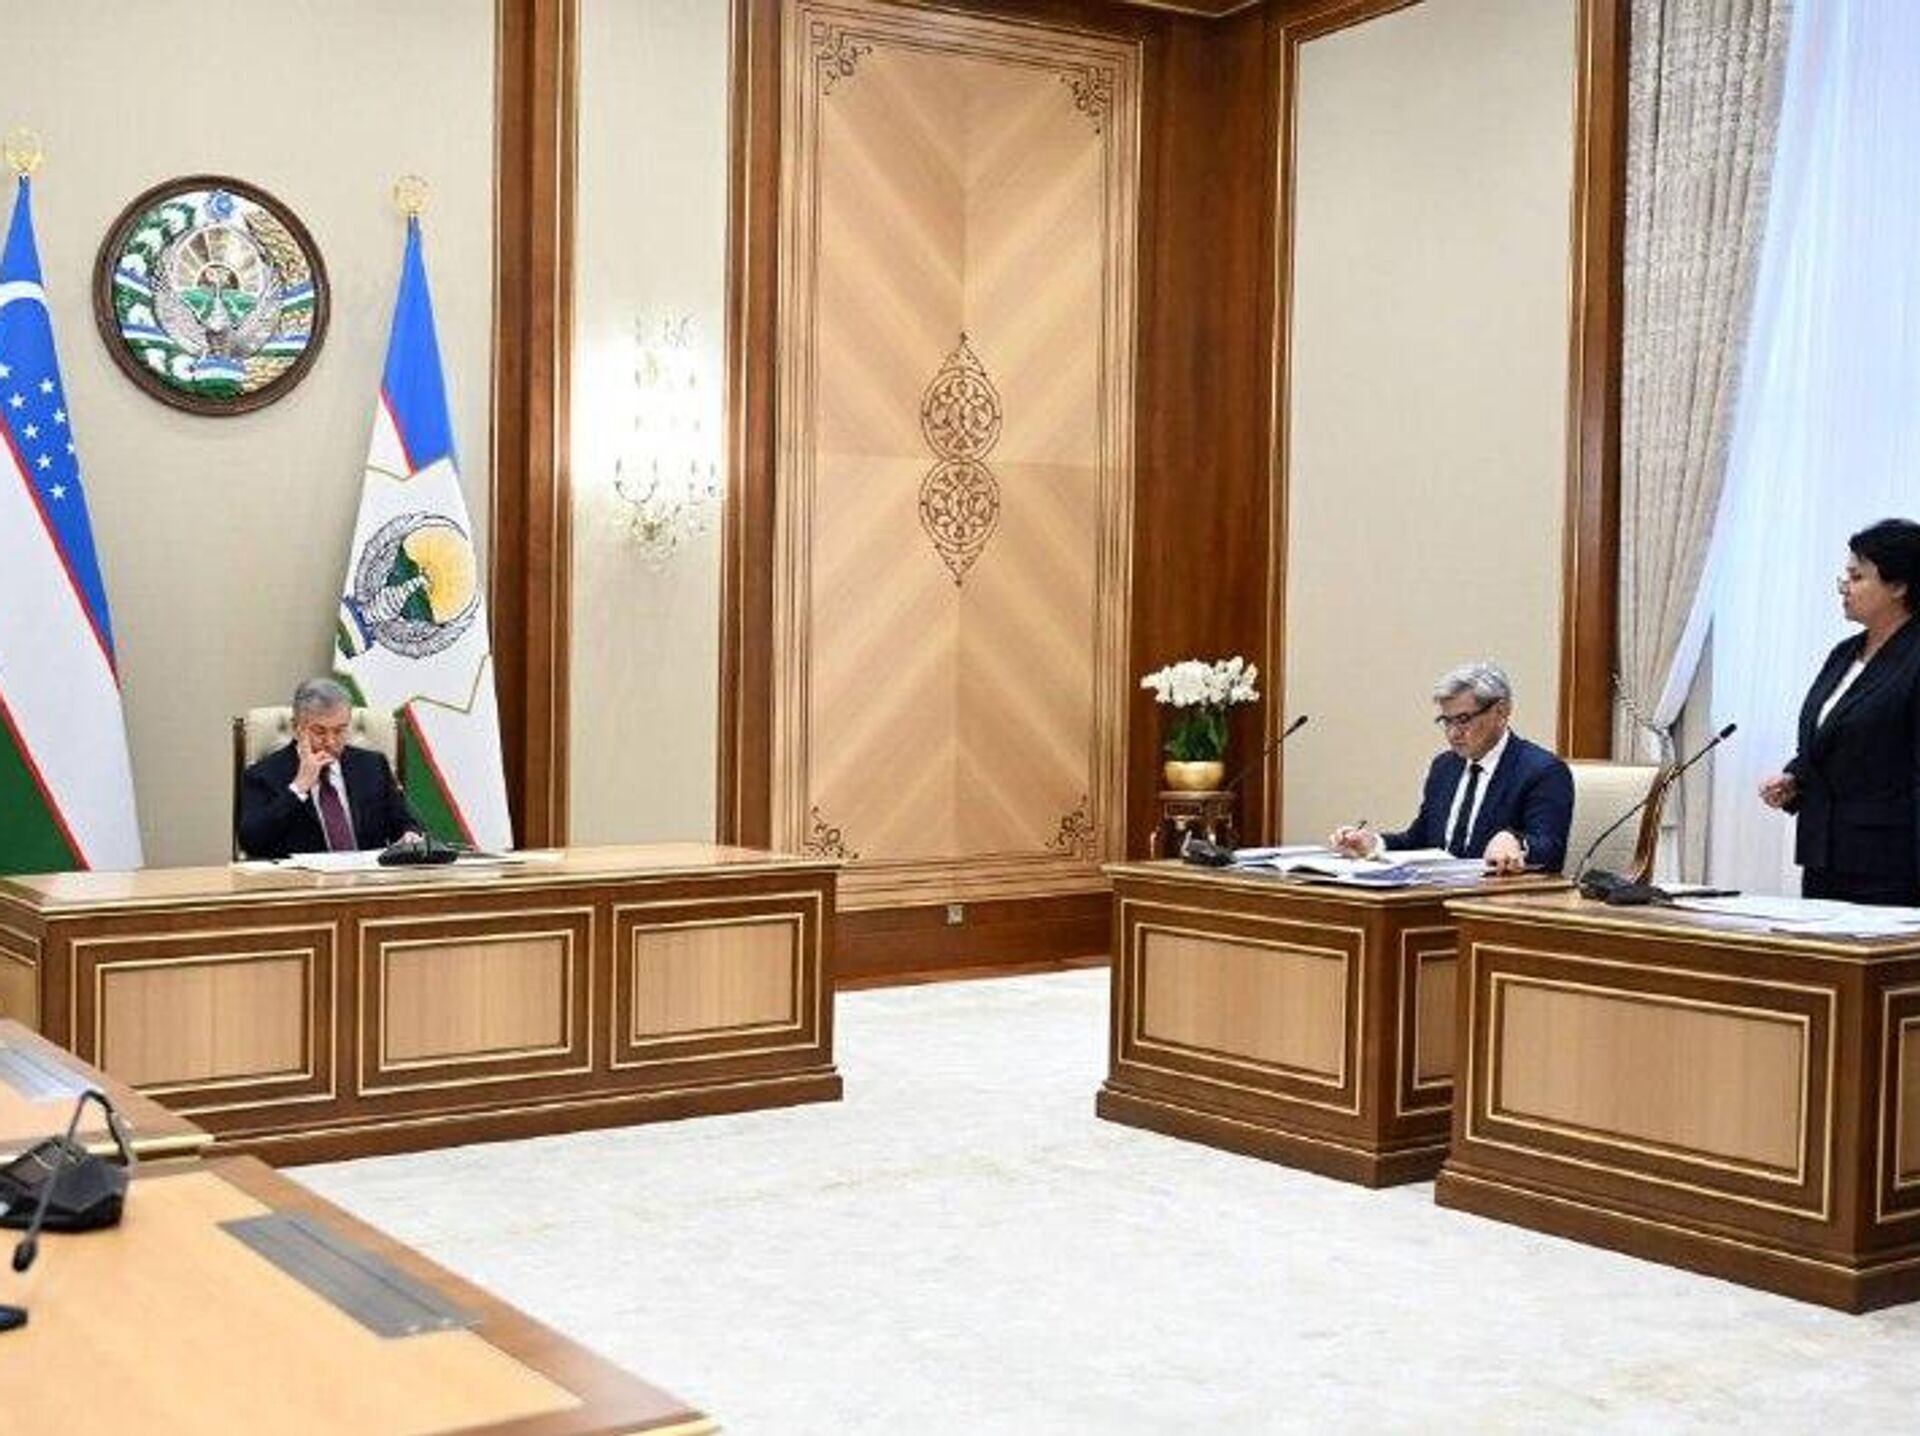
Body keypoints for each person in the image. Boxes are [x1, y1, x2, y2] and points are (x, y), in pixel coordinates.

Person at [1759, 518, 1920, 906]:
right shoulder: (1844, 653)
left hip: (1893, 864)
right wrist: (1796, 777)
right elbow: (1835, 740)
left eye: (1857, 576)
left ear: (1899, 585)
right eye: (1845, 576)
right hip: (1825, 855)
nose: (1844, 586)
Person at [1328, 661, 1573, 874]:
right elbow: (1422, 840)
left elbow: (1551, 850)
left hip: (1494, 903)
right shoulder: (1445, 767)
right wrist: (1374, 844)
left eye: (1464, 720)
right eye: (1446, 721)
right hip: (1434, 898)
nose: (1453, 733)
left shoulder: (1542, 771)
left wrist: (1517, 841)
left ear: (1501, 711)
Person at [237, 677, 421, 860]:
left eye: (340, 730)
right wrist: (299, 787)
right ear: (296, 728)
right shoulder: (263, 774)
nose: (330, 742)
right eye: (319, 731)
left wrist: (410, 835)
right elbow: (251, 842)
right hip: (301, 877)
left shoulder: (373, 766)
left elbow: (406, 823)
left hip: (367, 875)